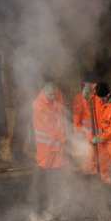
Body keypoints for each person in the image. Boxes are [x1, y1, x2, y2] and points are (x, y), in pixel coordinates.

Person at [31, 81, 67, 214]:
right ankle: (39, 207)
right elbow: (48, 127)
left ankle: (55, 204)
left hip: (56, 146)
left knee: (57, 176)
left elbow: (60, 119)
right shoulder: (38, 105)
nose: (54, 97)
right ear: (44, 91)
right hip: (45, 147)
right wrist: (64, 139)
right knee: (42, 176)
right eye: (51, 95)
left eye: (55, 94)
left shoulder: (55, 98)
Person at [72, 74, 98, 176]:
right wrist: (80, 136)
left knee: (98, 161)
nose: (94, 86)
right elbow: (76, 120)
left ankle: (96, 180)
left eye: (94, 84)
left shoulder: (97, 97)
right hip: (86, 138)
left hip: (97, 136)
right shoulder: (79, 98)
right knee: (88, 161)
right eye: (92, 84)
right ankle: (88, 179)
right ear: (86, 84)